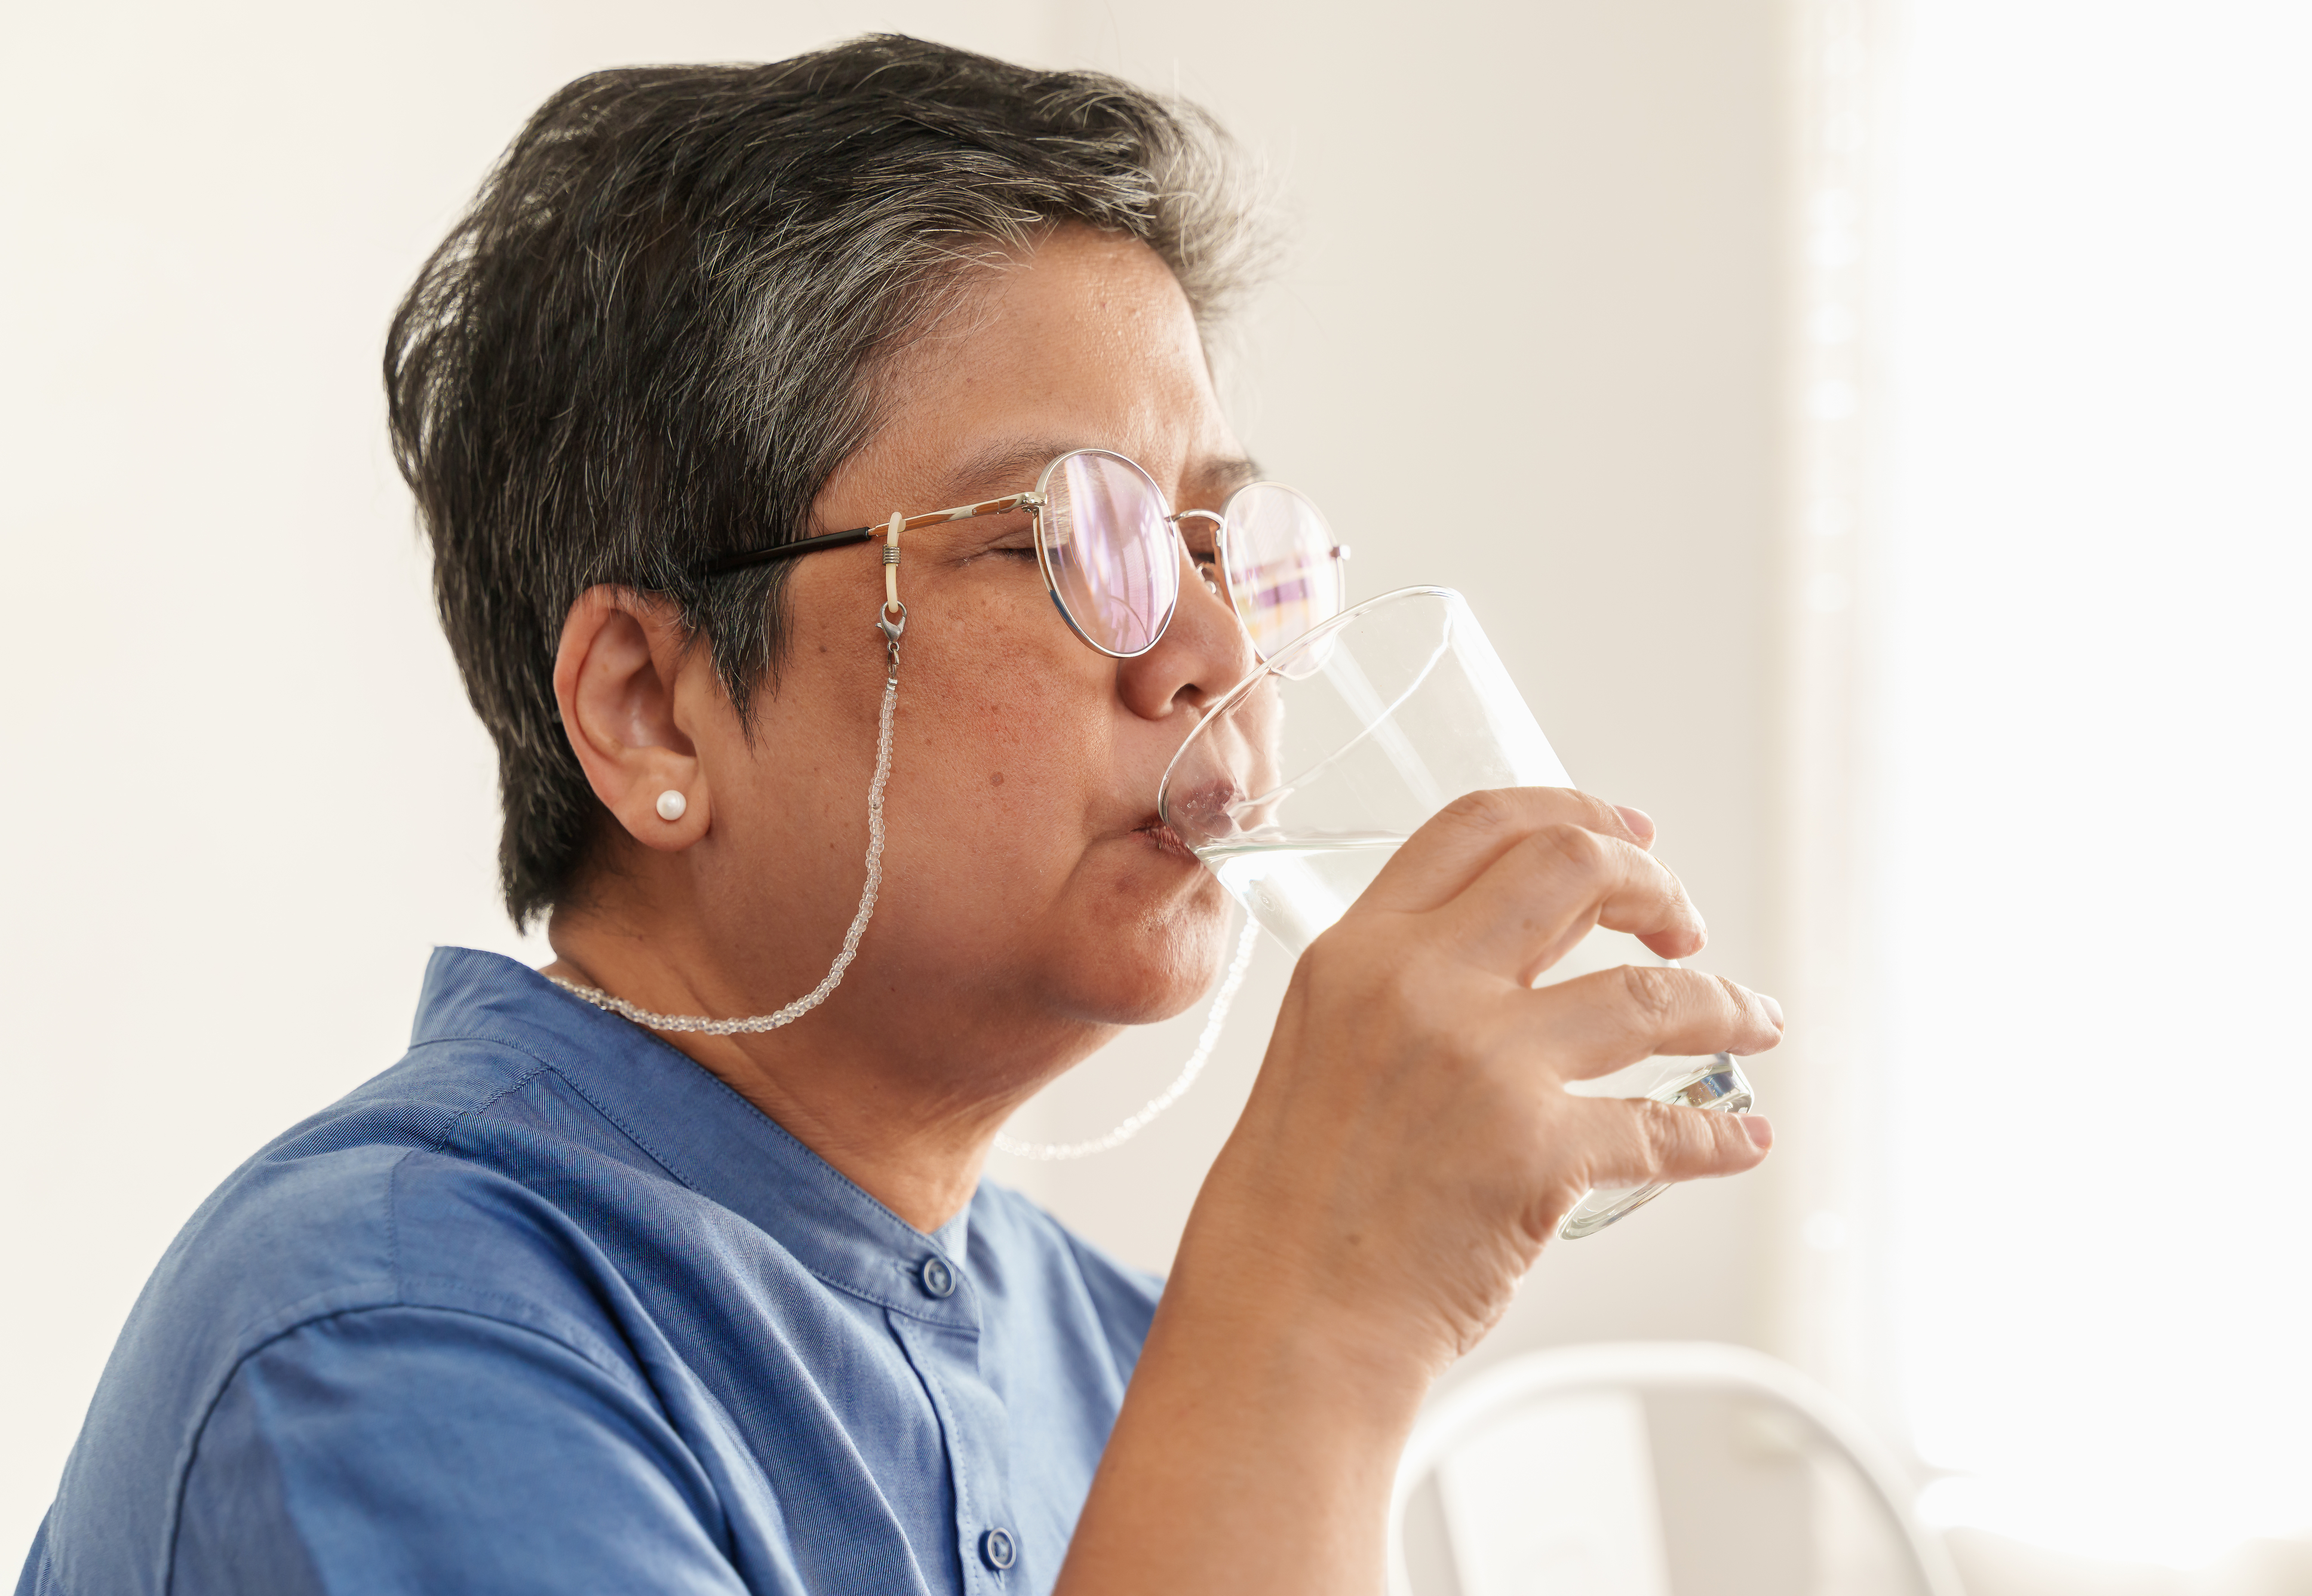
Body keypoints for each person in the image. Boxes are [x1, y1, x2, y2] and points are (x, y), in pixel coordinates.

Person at [16, 35, 1780, 1596]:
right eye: (1068, 537)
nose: (1218, 652)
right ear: (649, 709)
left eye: (1219, 545)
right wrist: (1322, 1317)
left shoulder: (1117, 1361)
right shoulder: (393, 1335)